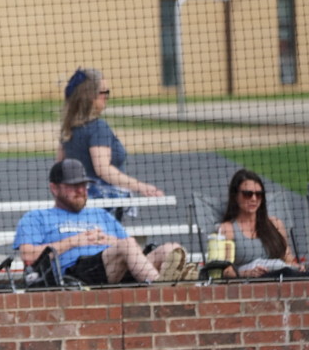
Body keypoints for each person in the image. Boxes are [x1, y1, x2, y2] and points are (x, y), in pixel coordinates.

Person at [13, 159, 193, 286]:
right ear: (54, 188)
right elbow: (29, 256)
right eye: (73, 186)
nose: (81, 190)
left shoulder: (100, 215)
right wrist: (74, 241)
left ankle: (169, 286)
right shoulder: (36, 217)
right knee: (127, 245)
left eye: (83, 185)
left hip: (116, 269)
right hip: (77, 274)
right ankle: (163, 289)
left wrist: (108, 240)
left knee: (171, 249)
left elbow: (132, 249)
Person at [58, 68, 163, 219]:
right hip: (103, 209)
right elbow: (103, 169)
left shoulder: (69, 129)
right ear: (91, 97)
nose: (107, 97)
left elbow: (60, 168)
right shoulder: (98, 127)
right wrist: (142, 187)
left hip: (77, 207)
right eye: (104, 92)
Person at [217, 169, 307, 279]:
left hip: (281, 276)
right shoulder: (227, 229)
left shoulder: (275, 224)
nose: (254, 199)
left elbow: (288, 259)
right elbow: (224, 271)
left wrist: (297, 267)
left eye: (259, 194)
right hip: (250, 284)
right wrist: (246, 274)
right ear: (235, 196)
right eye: (247, 194)